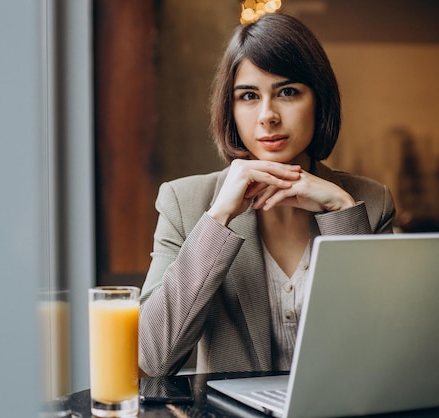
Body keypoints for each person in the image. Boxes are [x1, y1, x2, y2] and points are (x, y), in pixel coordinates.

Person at [138, 13, 395, 377]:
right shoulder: (185, 202)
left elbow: (385, 350)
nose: (267, 116)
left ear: (319, 101)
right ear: (230, 109)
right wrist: (218, 219)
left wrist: (342, 210)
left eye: (287, 92)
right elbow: (151, 357)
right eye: (248, 96)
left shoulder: (370, 201)